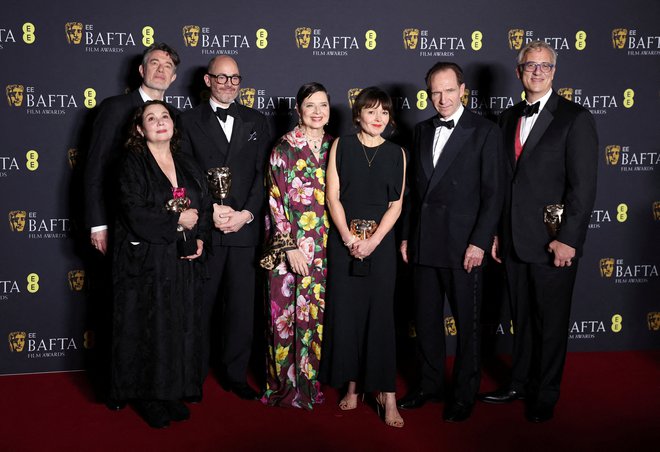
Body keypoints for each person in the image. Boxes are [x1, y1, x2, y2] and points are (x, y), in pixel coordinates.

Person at [479, 40, 598, 422]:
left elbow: (583, 187)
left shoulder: (574, 118)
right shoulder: (507, 117)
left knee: (551, 322)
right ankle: (518, 382)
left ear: (554, 72)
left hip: (553, 242)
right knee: (522, 320)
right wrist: (498, 232)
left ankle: (545, 392)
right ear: (519, 72)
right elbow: (501, 182)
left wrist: (568, 240)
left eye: (545, 66)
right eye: (530, 65)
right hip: (514, 239)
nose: (537, 71)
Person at [397, 62, 503, 422]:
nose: (441, 98)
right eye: (434, 92)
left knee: (468, 325)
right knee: (426, 320)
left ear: (462, 90)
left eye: (448, 90)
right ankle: (428, 385)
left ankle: (464, 393)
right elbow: (413, 192)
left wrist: (478, 241)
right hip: (425, 242)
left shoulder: (485, 131)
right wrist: (409, 235)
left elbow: (493, 194)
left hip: (463, 247)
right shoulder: (422, 129)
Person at [83, 42, 180, 411]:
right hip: (121, 231)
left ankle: (150, 385)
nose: (160, 69)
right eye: (153, 63)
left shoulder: (171, 115)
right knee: (119, 312)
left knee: (151, 313)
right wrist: (98, 225)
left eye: (167, 65)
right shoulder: (114, 108)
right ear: (141, 71)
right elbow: (94, 171)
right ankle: (116, 390)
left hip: (158, 235)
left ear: (173, 76)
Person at [111, 100, 211, 428]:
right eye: (150, 118)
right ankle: (149, 396)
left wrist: (198, 236)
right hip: (147, 260)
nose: (159, 122)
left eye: (164, 116)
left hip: (181, 260)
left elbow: (203, 204)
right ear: (140, 129)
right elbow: (132, 209)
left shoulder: (187, 162)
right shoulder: (133, 161)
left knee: (178, 322)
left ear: (173, 124)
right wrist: (176, 220)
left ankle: (172, 389)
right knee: (150, 326)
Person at [178, 56, 271, 401]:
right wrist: (210, 210)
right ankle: (194, 377)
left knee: (241, 310)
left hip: (244, 233)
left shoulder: (256, 120)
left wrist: (246, 214)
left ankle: (234, 375)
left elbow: (265, 176)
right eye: (222, 77)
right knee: (200, 308)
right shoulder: (187, 121)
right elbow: (183, 173)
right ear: (207, 80)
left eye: (235, 78)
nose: (229, 84)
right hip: (207, 230)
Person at [320, 87, 406, 428]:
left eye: (384, 113)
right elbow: (332, 196)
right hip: (344, 242)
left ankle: (387, 394)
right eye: (371, 112)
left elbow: (396, 205)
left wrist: (373, 242)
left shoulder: (397, 153)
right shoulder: (342, 145)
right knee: (350, 315)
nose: (378, 118)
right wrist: (347, 237)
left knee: (380, 316)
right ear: (358, 115)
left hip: (381, 246)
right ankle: (353, 385)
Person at [261, 82, 332, 410]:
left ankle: (310, 384)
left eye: (323, 105)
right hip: (289, 250)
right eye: (310, 106)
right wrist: (289, 247)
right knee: (285, 318)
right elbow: (275, 202)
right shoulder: (284, 148)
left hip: (325, 248)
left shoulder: (337, 147)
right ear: (299, 111)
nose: (317, 112)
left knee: (314, 318)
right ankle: (284, 387)